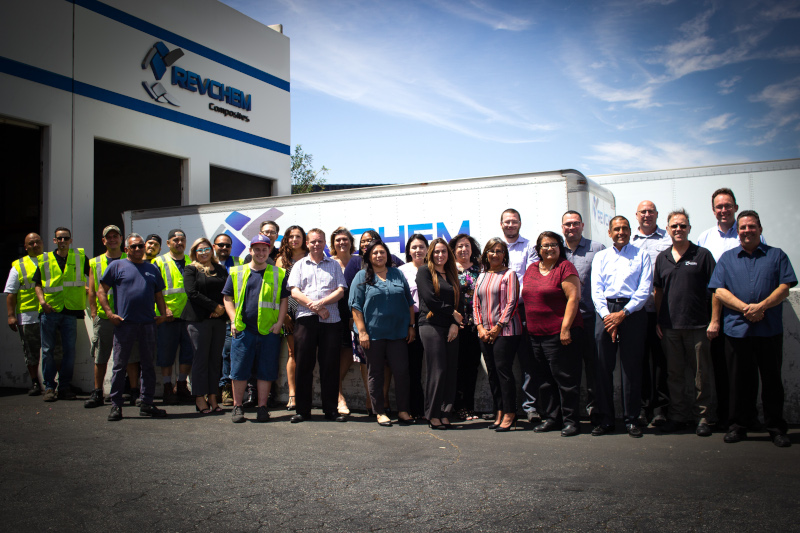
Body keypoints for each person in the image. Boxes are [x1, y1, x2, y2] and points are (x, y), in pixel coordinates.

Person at [708, 210, 796, 448]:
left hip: (769, 330)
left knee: (771, 382)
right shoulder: (727, 258)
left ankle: (776, 428)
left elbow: (785, 287)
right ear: (738, 231)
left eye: (751, 226)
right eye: (743, 227)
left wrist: (762, 307)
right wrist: (746, 308)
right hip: (737, 331)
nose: (747, 230)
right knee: (738, 382)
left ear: (760, 229)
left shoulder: (776, 256)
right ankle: (738, 426)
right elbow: (719, 290)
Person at [696, 188, 765, 430]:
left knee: (748, 366)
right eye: (719, 206)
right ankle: (727, 417)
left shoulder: (747, 232)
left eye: (727, 206)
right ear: (713, 210)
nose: (723, 210)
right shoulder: (704, 238)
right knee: (721, 366)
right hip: (716, 311)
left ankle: (749, 416)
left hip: (746, 311)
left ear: (735, 207)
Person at [653, 210, 717, 437]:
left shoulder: (702, 255)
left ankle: (704, 418)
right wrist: (660, 320)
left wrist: (714, 321)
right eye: (674, 226)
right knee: (675, 375)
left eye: (682, 225)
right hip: (670, 328)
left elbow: (716, 290)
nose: (678, 229)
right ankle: (678, 416)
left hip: (698, 326)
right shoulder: (662, 258)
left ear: (689, 228)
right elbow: (658, 291)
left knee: (701, 375)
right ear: (668, 229)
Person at [590, 216, 653, 438]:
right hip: (605, 312)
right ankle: (606, 419)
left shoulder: (642, 255)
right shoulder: (601, 257)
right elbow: (596, 290)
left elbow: (644, 289)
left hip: (632, 313)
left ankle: (631, 420)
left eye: (624, 228)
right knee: (603, 369)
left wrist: (623, 314)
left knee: (632, 369)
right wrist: (609, 317)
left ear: (630, 231)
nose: (621, 232)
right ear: (609, 233)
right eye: (616, 229)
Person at [98, 233, 168, 420]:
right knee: (120, 366)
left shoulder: (152, 269)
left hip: (147, 324)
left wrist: (162, 314)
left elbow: (158, 295)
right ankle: (116, 405)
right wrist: (109, 313)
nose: (138, 249)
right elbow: (101, 291)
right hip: (125, 324)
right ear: (126, 249)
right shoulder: (116, 266)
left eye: (140, 246)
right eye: (134, 246)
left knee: (148, 366)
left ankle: (146, 403)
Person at [222, 234, 288, 423]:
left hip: (269, 331)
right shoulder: (236, 272)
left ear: (269, 251)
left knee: (265, 371)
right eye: (257, 249)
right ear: (250, 251)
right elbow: (228, 298)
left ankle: (262, 407)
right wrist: (234, 320)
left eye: (264, 249)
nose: (260, 253)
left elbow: (284, 300)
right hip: (243, 330)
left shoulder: (278, 273)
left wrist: (279, 323)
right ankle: (237, 407)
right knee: (239, 371)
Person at [522, 232, 583, 436]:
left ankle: (571, 421)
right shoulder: (531, 269)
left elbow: (573, 299)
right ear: (538, 249)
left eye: (554, 244)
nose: (549, 248)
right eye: (545, 245)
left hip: (559, 334)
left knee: (565, 379)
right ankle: (552, 418)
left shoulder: (565, 267)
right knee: (544, 380)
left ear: (560, 247)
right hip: (535, 336)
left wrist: (565, 329)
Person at [349, 240, 416, 426]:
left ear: (387, 255)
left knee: (402, 372)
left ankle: (403, 410)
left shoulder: (397, 273)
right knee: (375, 373)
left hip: (398, 333)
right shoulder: (362, 276)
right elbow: (355, 307)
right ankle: (379, 412)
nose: (379, 256)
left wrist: (411, 326)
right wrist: (362, 332)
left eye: (382, 252)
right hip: (373, 335)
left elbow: (409, 302)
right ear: (369, 257)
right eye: (375, 253)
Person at [287, 228, 347, 423]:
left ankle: (331, 410)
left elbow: (340, 291)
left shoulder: (334, 265)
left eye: (319, 241)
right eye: (312, 241)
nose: (316, 244)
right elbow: (294, 292)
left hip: (331, 321)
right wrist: (315, 307)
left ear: (324, 243)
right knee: (304, 365)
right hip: (305, 319)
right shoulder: (299, 265)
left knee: (330, 366)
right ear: (307, 243)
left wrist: (321, 304)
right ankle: (303, 411)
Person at [85, 225, 140, 409]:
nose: (112, 239)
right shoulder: (96, 262)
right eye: (109, 237)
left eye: (115, 236)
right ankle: (97, 392)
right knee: (101, 356)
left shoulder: (130, 257)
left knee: (131, 356)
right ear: (103, 241)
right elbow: (92, 291)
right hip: (105, 316)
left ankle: (134, 392)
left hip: (127, 316)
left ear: (121, 239)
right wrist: (94, 313)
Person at [33, 227, 89, 402]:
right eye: (59, 238)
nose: (63, 241)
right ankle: (49, 387)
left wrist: (89, 289)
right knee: (48, 350)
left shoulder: (80, 257)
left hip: (71, 311)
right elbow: (37, 284)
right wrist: (42, 302)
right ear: (54, 241)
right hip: (50, 310)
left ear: (71, 240)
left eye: (66, 238)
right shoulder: (45, 259)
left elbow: (92, 277)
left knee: (69, 351)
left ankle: (64, 386)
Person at [473, 238, 523, 432]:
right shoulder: (482, 276)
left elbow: (512, 302)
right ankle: (499, 410)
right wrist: (480, 328)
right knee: (492, 373)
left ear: (505, 255)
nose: (495, 254)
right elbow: (476, 304)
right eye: (491, 251)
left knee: (503, 371)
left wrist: (498, 327)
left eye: (499, 251)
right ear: (486, 254)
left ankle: (511, 412)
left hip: (506, 331)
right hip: (484, 332)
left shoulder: (509, 274)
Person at [630, 200, 673, 426]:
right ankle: (643, 408)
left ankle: (660, 410)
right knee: (638, 362)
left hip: (659, 311)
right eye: (643, 212)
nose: (647, 215)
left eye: (651, 211)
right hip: (636, 311)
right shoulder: (629, 240)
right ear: (636, 215)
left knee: (660, 362)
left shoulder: (667, 240)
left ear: (657, 214)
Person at [561, 210, 605, 418]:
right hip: (565, 322)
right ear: (562, 227)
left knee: (593, 367)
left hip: (590, 318)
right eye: (567, 224)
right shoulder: (556, 251)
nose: (571, 227)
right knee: (569, 368)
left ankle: (595, 411)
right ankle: (571, 413)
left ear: (582, 225)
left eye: (575, 223)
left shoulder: (597, 249)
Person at [417, 238, 463, 430]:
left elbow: (458, 300)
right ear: (430, 253)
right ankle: (433, 413)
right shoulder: (424, 271)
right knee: (438, 369)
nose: (440, 255)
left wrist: (454, 323)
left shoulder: (452, 273)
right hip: (430, 325)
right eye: (436, 252)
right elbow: (430, 298)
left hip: (450, 327)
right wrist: (452, 313)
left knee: (451, 370)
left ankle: (445, 412)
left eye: (443, 251)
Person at [499, 208, 539, 423]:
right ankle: (506, 408)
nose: (510, 225)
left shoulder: (530, 247)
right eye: (507, 222)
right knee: (503, 363)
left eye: (514, 221)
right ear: (501, 224)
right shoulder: (495, 247)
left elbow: (530, 278)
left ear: (520, 224)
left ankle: (530, 406)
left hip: (522, 310)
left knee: (527, 360)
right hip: (499, 314)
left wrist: (512, 299)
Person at [184, 237, 229, 413]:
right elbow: (192, 293)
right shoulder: (191, 269)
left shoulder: (220, 269)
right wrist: (214, 307)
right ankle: (199, 397)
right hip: (198, 320)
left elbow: (227, 291)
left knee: (214, 360)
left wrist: (221, 310)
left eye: (206, 249)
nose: (203, 253)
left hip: (218, 320)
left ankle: (212, 396)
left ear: (212, 250)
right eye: (199, 250)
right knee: (200, 359)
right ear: (195, 252)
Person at [330, 227, 369, 416]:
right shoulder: (328, 263)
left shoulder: (359, 261)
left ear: (350, 242)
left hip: (353, 319)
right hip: (330, 317)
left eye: (345, 239)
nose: (341, 243)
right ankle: (338, 397)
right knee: (331, 359)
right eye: (338, 240)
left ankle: (337, 395)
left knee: (346, 358)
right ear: (333, 243)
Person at [154, 229, 194, 405]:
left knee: (187, 353)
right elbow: (154, 290)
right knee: (166, 354)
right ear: (168, 243)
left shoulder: (192, 262)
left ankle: (181, 384)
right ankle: (167, 387)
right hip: (167, 317)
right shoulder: (158, 262)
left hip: (188, 316)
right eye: (175, 240)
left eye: (182, 240)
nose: (179, 243)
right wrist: (164, 310)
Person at [5, 232, 49, 395]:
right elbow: (11, 293)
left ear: (43, 243)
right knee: (31, 352)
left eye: (37, 242)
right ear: (25, 247)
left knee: (53, 350)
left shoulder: (51, 259)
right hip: (28, 316)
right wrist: (11, 315)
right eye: (31, 243)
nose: (35, 245)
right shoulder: (19, 265)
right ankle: (35, 383)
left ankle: (54, 383)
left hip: (50, 312)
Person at [449, 233, 483, 421]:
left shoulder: (480, 269)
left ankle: (468, 406)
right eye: (460, 246)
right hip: (455, 326)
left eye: (467, 246)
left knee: (471, 367)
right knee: (455, 367)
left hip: (475, 325)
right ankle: (455, 405)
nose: (464, 249)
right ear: (453, 250)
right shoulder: (449, 270)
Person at [275, 225, 309, 411]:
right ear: (286, 239)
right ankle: (293, 394)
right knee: (292, 353)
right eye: (291, 236)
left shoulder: (312, 255)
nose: (294, 239)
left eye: (298, 236)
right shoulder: (281, 260)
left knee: (310, 354)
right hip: (289, 311)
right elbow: (278, 290)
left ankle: (307, 393)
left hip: (309, 309)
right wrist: (285, 314)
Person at [397, 233, 429, 419]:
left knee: (434, 368)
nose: (418, 250)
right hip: (411, 321)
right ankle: (415, 409)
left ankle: (433, 407)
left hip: (432, 321)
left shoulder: (433, 268)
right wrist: (410, 324)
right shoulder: (401, 271)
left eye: (422, 247)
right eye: (414, 247)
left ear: (427, 249)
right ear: (409, 250)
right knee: (413, 368)